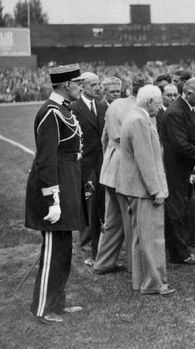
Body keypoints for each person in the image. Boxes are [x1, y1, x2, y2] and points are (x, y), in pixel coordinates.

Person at [25, 64, 86, 324]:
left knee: (63, 249)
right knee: (53, 249)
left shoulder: (63, 110)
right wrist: (52, 200)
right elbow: (46, 160)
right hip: (54, 187)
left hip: (67, 181)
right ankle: (42, 308)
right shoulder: (51, 113)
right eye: (78, 82)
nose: (81, 86)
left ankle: (57, 304)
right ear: (66, 85)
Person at [117, 85, 175, 295]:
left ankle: (140, 280)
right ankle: (155, 283)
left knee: (139, 237)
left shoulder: (134, 116)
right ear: (150, 101)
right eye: (159, 103)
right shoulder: (140, 121)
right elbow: (145, 160)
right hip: (143, 189)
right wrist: (156, 190)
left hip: (133, 187)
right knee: (153, 237)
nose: (160, 108)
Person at [94, 74, 150, 274]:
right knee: (132, 220)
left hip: (110, 166)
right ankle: (136, 269)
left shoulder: (115, 104)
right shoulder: (141, 110)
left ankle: (103, 262)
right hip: (127, 166)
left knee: (113, 219)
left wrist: (109, 161)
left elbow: (104, 139)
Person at [160, 77, 195, 264]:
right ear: (188, 93)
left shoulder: (185, 108)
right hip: (175, 168)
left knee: (181, 209)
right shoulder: (176, 112)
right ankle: (179, 254)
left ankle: (180, 249)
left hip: (183, 166)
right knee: (176, 211)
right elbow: (181, 145)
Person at [70, 72, 107, 267]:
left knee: (103, 205)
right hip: (86, 166)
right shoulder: (74, 108)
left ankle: (103, 249)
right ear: (83, 87)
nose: (98, 87)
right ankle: (91, 251)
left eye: (99, 84)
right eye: (93, 84)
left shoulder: (102, 107)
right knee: (90, 208)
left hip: (104, 164)